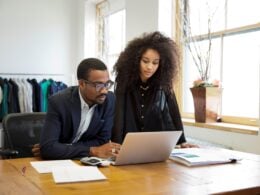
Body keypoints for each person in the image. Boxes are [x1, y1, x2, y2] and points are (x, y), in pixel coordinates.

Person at [111, 31, 197, 148]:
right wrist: (117, 144)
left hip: (154, 143)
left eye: (155, 63)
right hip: (129, 142)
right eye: (145, 61)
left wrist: (182, 141)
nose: (150, 67)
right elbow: (119, 114)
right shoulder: (124, 80)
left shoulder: (163, 81)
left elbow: (173, 110)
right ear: (136, 60)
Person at [39, 58, 120, 160]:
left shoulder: (109, 100)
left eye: (107, 84)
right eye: (98, 85)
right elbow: (48, 148)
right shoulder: (59, 102)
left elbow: (102, 141)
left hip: (86, 162)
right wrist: (91, 150)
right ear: (82, 84)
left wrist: (63, 147)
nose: (104, 91)